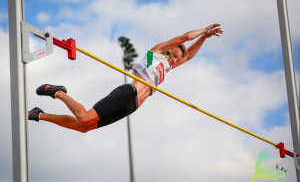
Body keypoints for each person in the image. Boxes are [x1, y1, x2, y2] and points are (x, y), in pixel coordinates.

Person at [28, 24, 223, 133]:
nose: (174, 60)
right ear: (168, 51)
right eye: (173, 56)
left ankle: (39, 115)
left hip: (133, 106)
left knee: (83, 127)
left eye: (177, 59)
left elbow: (189, 55)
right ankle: (58, 92)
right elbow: (186, 37)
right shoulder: (155, 53)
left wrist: (204, 39)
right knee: (85, 117)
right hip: (128, 93)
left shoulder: (169, 67)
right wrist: (203, 31)